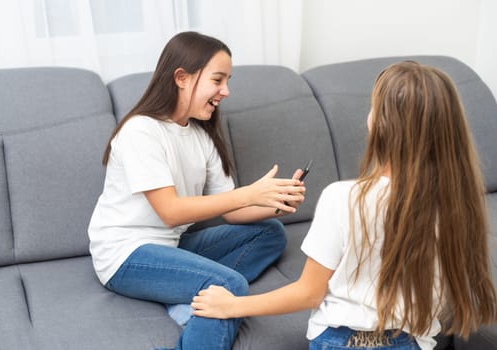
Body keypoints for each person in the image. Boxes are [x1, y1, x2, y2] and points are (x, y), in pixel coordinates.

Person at [191, 60, 497, 350]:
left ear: (380, 124)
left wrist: (233, 305)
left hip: (338, 341)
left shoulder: (344, 198)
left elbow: (308, 294)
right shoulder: (460, 203)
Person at [87, 31, 305, 350]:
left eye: (227, 80)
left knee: (270, 233)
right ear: (182, 78)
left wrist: (274, 201)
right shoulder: (141, 131)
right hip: (125, 254)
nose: (226, 91)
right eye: (218, 80)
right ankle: (194, 298)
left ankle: (185, 293)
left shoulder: (201, 136)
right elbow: (170, 211)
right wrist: (248, 193)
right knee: (227, 284)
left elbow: (232, 212)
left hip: (173, 245)